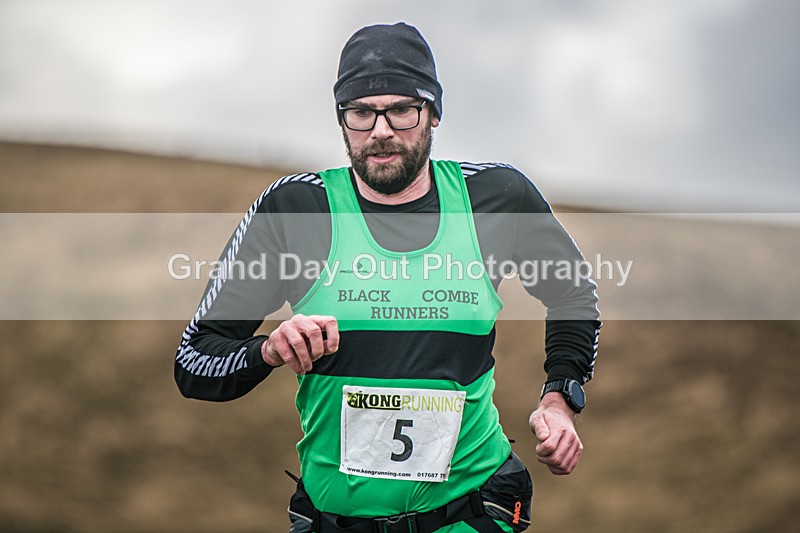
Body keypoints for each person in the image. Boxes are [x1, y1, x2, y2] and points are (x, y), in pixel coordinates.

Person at [175, 22, 600, 533]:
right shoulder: (296, 210)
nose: (381, 130)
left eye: (402, 109)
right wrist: (269, 349)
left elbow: (573, 291)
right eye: (361, 112)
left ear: (434, 113)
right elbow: (195, 361)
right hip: (334, 520)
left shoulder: (498, 199)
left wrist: (559, 399)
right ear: (341, 119)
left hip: (471, 511)